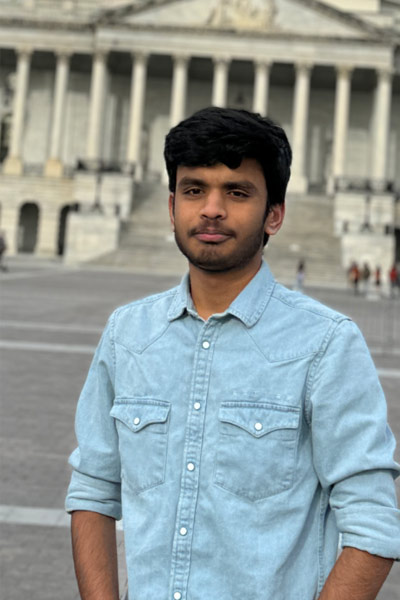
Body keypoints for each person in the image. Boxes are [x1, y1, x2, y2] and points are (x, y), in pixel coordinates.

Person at [66, 107, 400, 600]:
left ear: (275, 215)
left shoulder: (326, 343)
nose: (211, 209)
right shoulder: (127, 334)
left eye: (237, 192)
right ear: (171, 205)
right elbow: (94, 490)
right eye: (194, 189)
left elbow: (373, 520)